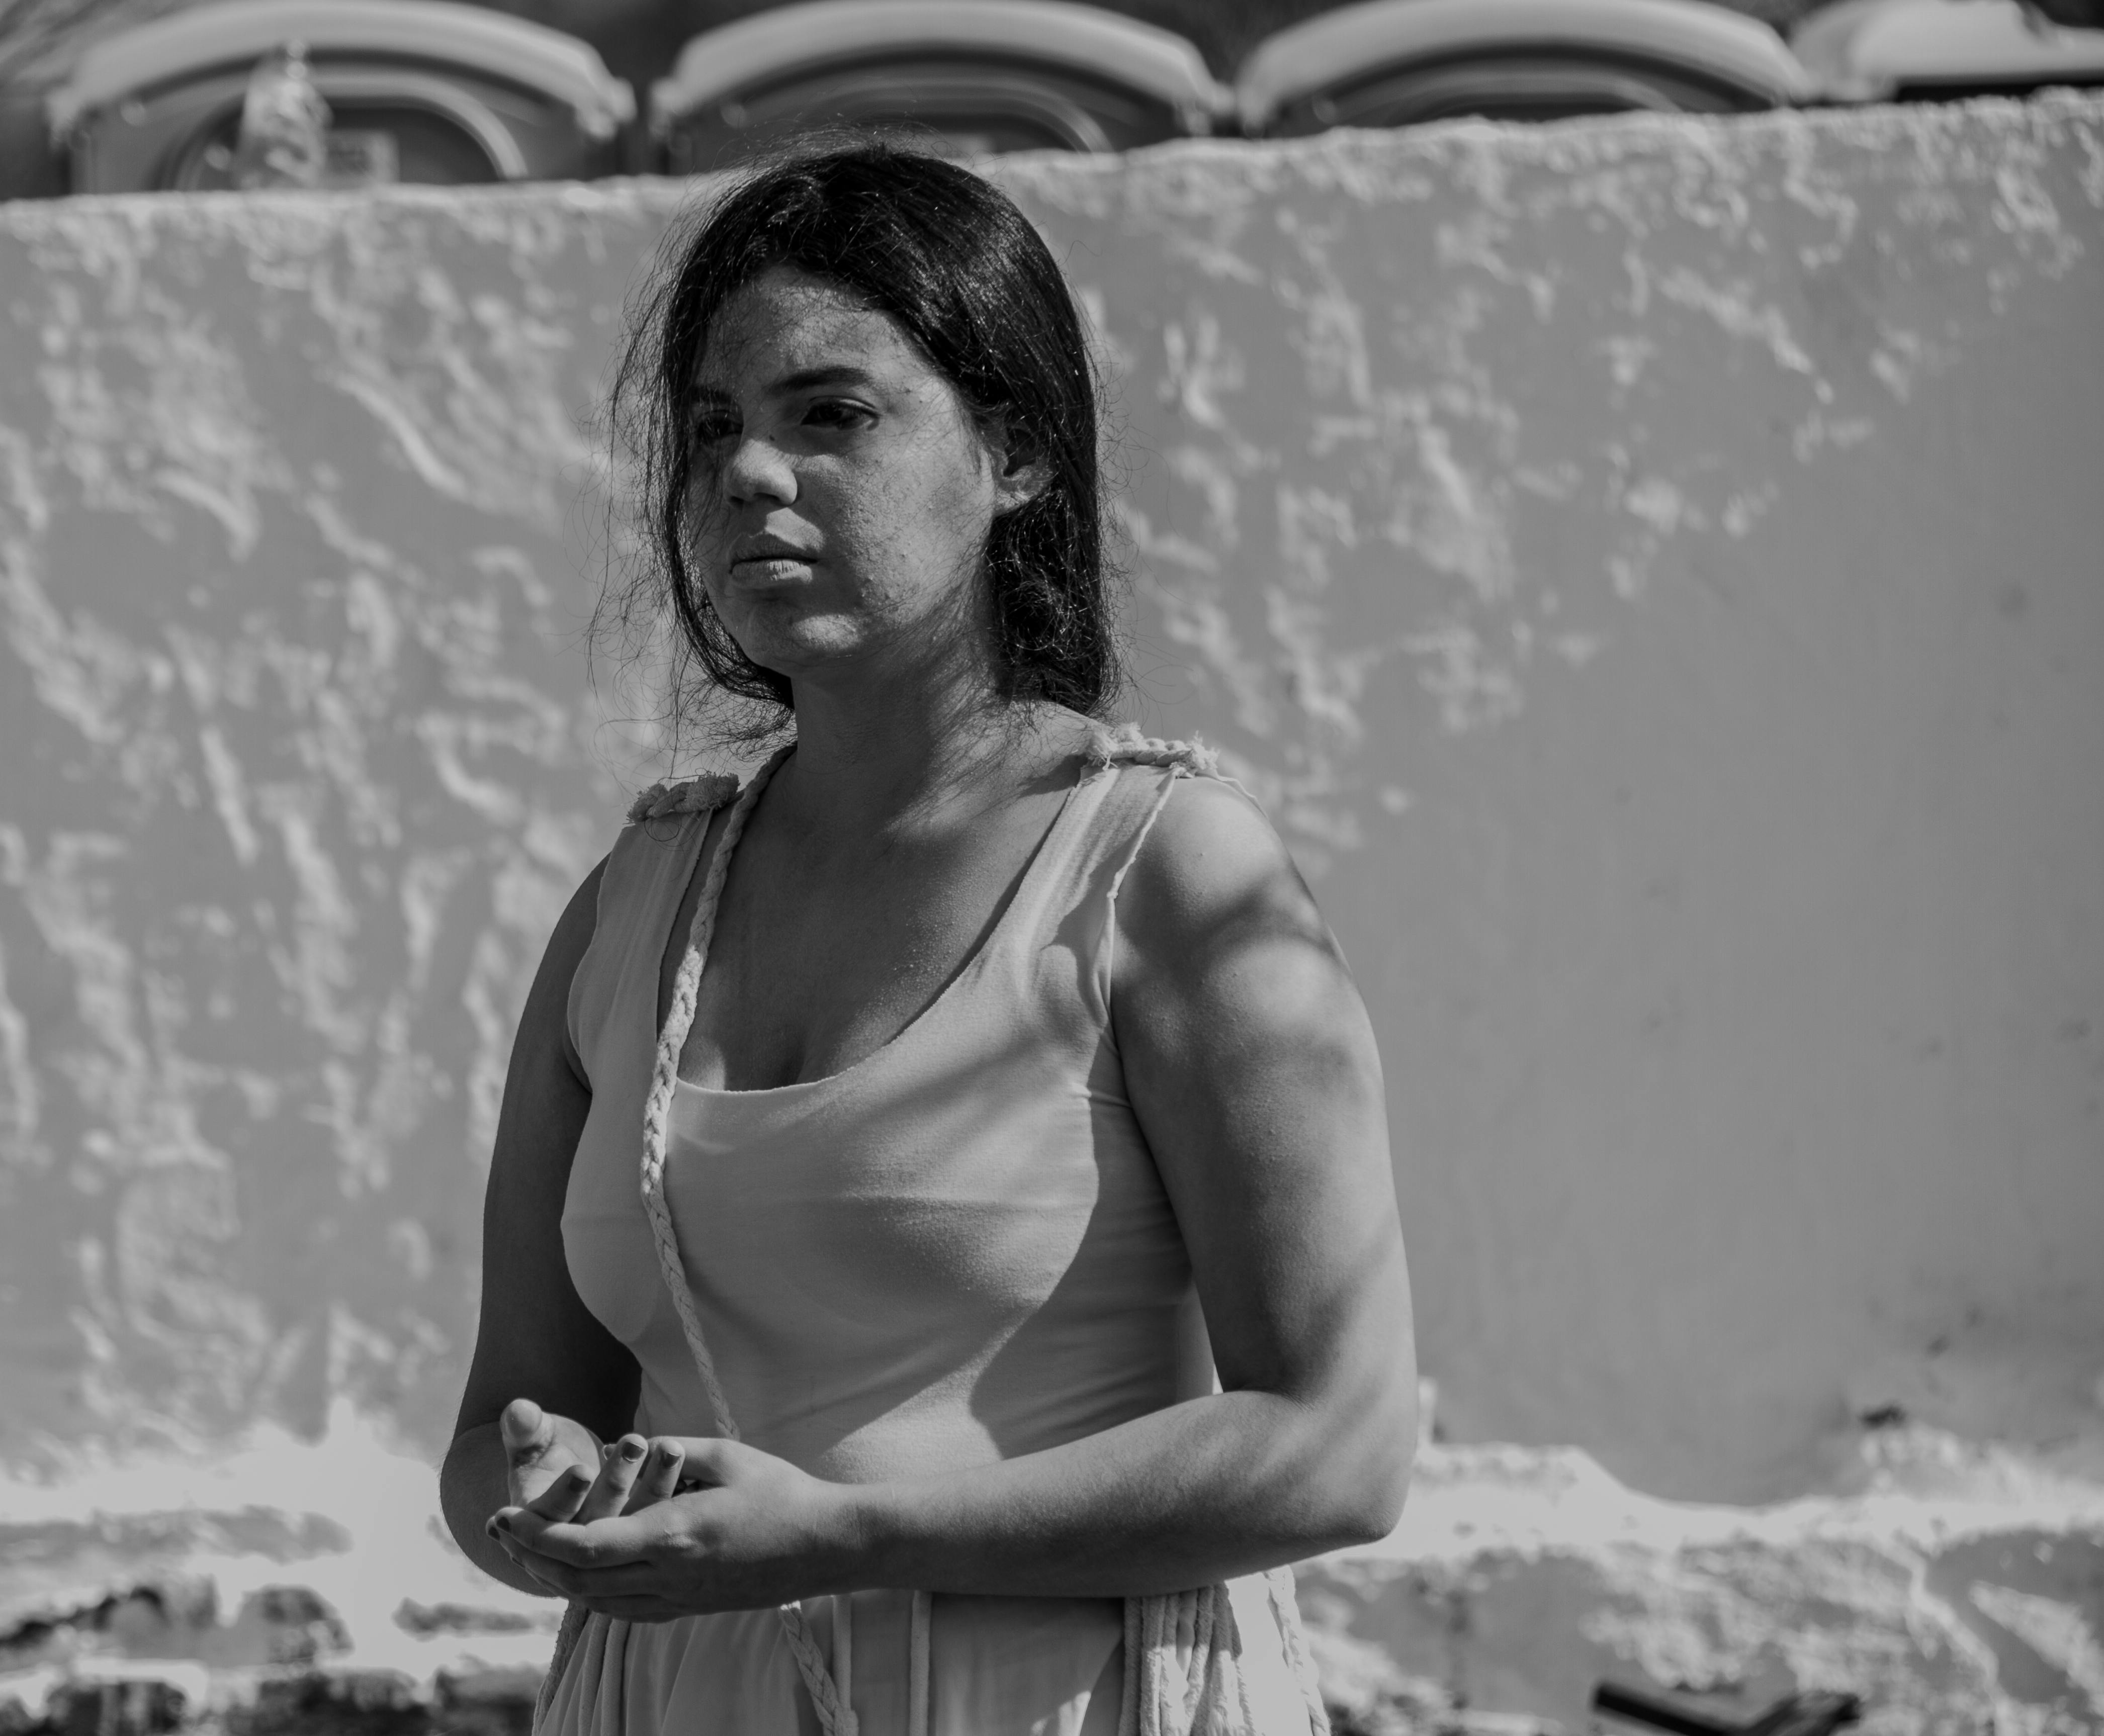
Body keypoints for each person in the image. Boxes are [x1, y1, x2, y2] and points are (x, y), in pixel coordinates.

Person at [438, 142, 1417, 1736]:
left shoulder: (1160, 875)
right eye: (712, 430)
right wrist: (543, 1496)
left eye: (832, 414)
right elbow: (499, 1422)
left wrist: (839, 1535)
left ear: (1013, 453)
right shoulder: (632, 903)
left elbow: (1340, 1444)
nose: (752, 474)